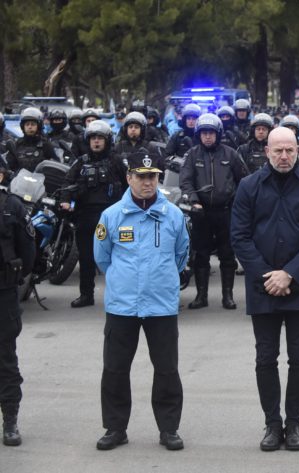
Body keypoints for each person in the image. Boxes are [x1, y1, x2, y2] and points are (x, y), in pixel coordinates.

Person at [231, 127, 299, 452]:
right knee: (265, 358)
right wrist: (268, 276)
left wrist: (289, 274)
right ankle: (272, 424)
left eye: (289, 150)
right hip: (263, 288)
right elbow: (240, 237)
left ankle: (295, 424)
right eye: (278, 151)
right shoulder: (249, 187)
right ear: (267, 152)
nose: (284, 156)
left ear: (298, 149)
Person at [92, 151, 189, 451]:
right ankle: (115, 428)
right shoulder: (111, 216)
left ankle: (169, 429)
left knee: (167, 370)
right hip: (123, 305)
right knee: (115, 370)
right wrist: (125, 281)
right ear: (129, 178)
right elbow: (102, 258)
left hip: (161, 305)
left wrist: (158, 280)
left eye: (153, 176)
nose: (148, 182)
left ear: (159, 178)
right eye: (142, 176)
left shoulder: (173, 215)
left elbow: (181, 255)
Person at [179, 113, 249, 310]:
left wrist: (238, 204)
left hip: (226, 212)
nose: (207, 137)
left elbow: (244, 180)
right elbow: (185, 181)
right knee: (201, 255)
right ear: (198, 135)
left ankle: (228, 296)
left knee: (228, 254)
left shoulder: (231, 154)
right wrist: (194, 201)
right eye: (204, 133)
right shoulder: (192, 155)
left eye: (211, 133)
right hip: (201, 213)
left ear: (218, 134)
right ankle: (202, 296)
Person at [61, 120, 127, 308]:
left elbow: (131, 183)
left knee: (119, 258)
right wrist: (65, 201)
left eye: (100, 138)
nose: (96, 142)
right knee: (86, 258)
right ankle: (86, 295)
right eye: (93, 138)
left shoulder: (116, 161)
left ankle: (120, 296)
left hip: (113, 218)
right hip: (86, 216)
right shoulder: (80, 162)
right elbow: (67, 183)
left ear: (107, 140)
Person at [0, 164, 35, 446]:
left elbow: (28, 251)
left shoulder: (13, 206)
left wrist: (15, 278)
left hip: (3, 293)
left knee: (5, 360)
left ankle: (10, 420)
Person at [6, 107, 60, 173]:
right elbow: (9, 167)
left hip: (40, 182)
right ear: (23, 127)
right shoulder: (17, 144)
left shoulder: (45, 144)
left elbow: (55, 166)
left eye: (33, 124)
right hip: (20, 181)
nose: (30, 127)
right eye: (27, 124)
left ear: (39, 126)